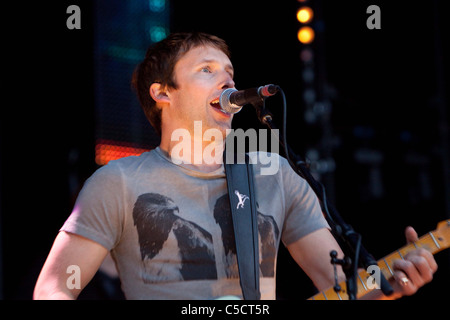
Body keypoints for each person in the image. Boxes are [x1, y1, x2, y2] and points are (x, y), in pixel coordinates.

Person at [33, 32, 437, 300]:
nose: (226, 81)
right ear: (162, 93)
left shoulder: (275, 175)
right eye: (206, 70)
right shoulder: (117, 182)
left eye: (229, 72)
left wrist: (388, 289)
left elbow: (339, 288)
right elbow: (53, 289)